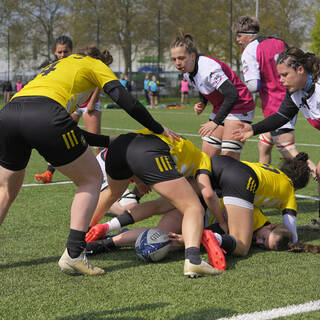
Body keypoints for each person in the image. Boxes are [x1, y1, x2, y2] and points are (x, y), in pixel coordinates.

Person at [0, 45, 178, 276]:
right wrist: (156, 127)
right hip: (44, 114)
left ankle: (74, 253)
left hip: (9, 112)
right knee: (91, 179)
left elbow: (66, 129)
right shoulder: (94, 65)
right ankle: (74, 254)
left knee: (5, 190)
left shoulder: (57, 65)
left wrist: (108, 140)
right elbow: (125, 100)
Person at [86, 128, 227, 277]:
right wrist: (222, 222)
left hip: (119, 149)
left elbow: (131, 147)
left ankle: (84, 237)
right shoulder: (203, 161)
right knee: (192, 209)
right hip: (149, 152)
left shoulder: (180, 149)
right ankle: (193, 259)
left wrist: (140, 181)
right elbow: (208, 194)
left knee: (113, 195)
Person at [233, 47, 320, 225]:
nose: (281, 81)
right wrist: (253, 129)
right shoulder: (296, 92)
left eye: (285, 75)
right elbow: (281, 116)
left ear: (300, 70)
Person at [170, 29, 255, 160]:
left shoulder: (208, 68)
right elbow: (203, 85)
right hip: (222, 106)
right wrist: (203, 102)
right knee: (206, 159)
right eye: (174, 59)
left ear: (192, 56)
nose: (177, 63)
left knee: (228, 160)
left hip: (240, 105)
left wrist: (216, 121)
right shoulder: (187, 72)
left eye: (181, 58)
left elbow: (232, 94)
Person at [34, 36, 103, 183]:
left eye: (66, 52)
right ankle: (49, 173)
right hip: (72, 106)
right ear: (54, 52)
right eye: (59, 52)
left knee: (96, 142)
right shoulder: (55, 66)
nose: (62, 55)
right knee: (59, 137)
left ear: (71, 51)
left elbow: (98, 81)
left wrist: (92, 101)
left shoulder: (77, 62)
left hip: (89, 105)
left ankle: (106, 173)